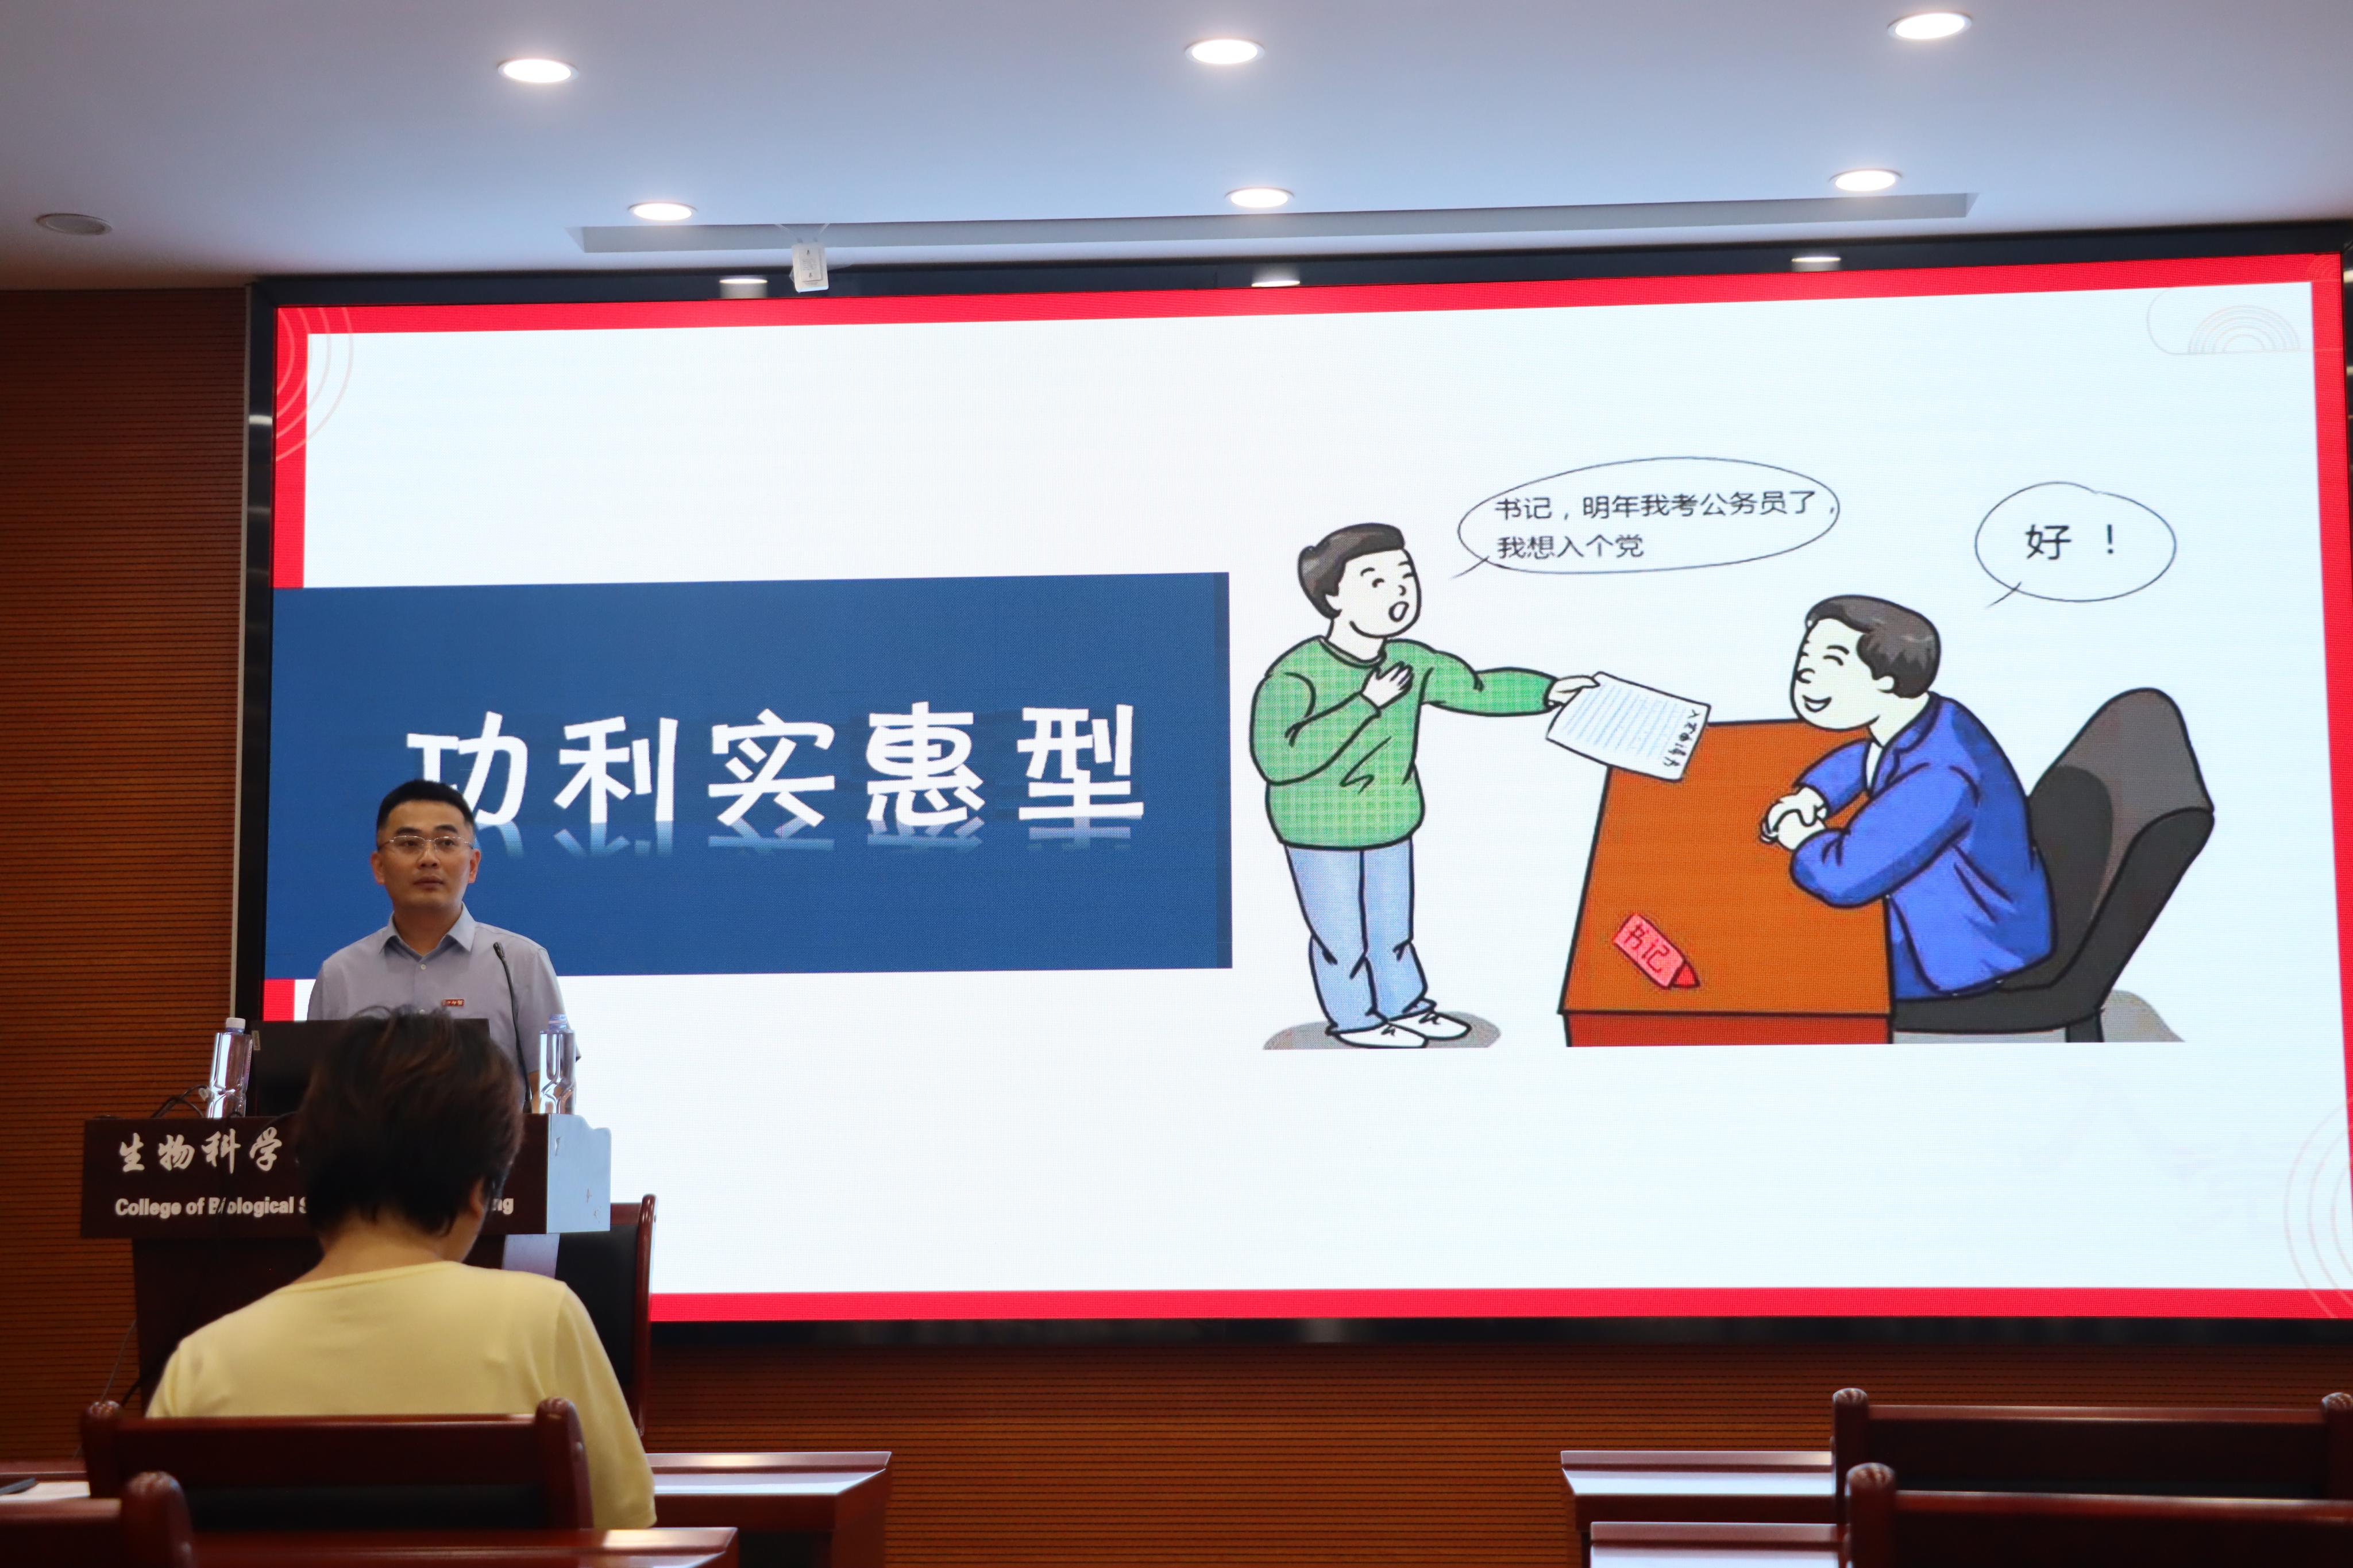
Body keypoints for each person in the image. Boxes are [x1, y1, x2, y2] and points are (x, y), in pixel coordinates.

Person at [148, 1009, 655, 1528]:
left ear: (307, 1167)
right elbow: (624, 1526)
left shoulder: (200, 1365)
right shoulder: (543, 1321)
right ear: (478, 1190)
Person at [1250, 524, 1594, 1047]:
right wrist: (1367, 704)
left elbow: (1477, 688)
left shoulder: (1411, 661)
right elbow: (1279, 759)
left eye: (1405, 577)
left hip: (1388, 820)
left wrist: (1548, 692)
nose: (1399, 592)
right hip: (1318, 832)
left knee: (1392, 932)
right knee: (1342, 939)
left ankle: (1406, 1007)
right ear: (1334, 597)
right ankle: (1356, 1021)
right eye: (1376, 581)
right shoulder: (1296, 674)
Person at [1761, 595, 2054, 999]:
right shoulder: (1930, 717)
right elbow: (1868, 756)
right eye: (1806, 661)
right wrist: (1815, 795)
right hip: (1941, 909)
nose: (1807, 677)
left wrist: (1802, 838)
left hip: (1963, 949)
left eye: (1833, 663)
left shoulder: (1941, 777)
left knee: (1781, 968)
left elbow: (1843, 878)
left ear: (1887, 679)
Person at [308, 779, 564, 1066]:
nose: (428, 859)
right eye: (409, 843)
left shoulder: (521, 963)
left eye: (446, 843)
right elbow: (316, 1086)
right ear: (379, 867)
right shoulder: (339, 975)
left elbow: (554, 1085)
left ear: (473, 866)